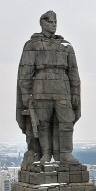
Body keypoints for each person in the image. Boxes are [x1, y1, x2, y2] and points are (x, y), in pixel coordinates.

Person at [16, 10, 81, 169]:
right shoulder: (32, 45)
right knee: (42, 123)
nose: (53, 25)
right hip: (41, 86)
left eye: (55, 22)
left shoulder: (65, 46)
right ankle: (46, 153)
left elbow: (73, 71)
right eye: (50, 22)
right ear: (42, 23)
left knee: (66, 121)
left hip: (62, 87)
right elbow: (25, 73)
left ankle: (65, 153)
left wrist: (75, 92)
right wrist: (26, 94)